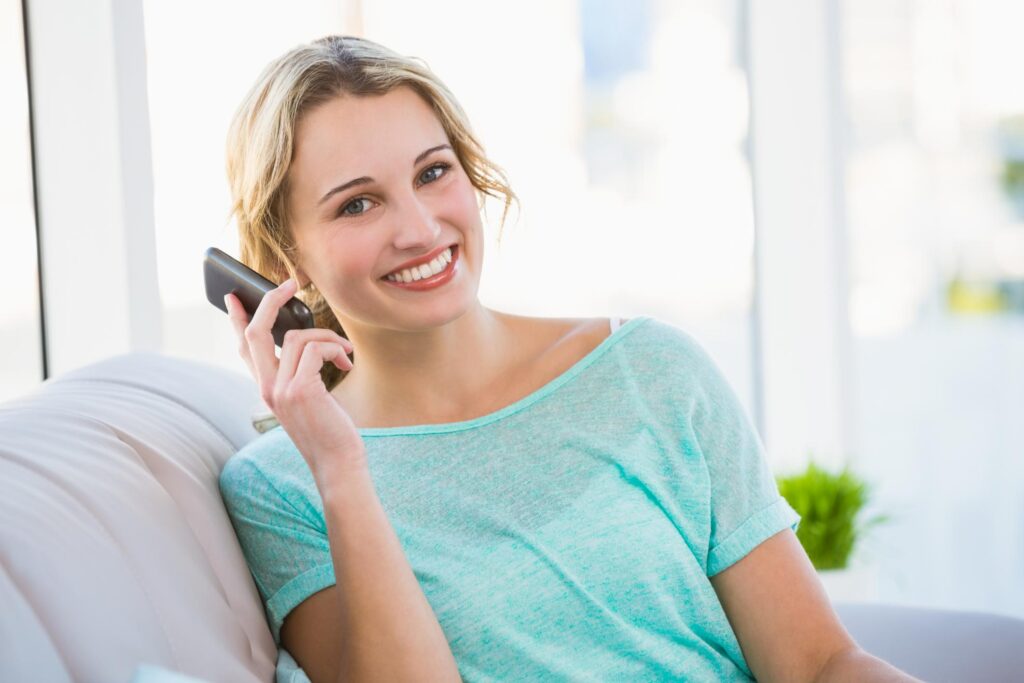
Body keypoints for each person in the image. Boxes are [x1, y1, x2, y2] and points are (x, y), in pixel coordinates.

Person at [217, 35, 918, 683]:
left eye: (434, 172)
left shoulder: (648, 369)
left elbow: (821, 662)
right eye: (358, 204)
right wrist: (341, 470)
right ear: (284, 257)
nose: (421, 228)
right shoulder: (286, 485)